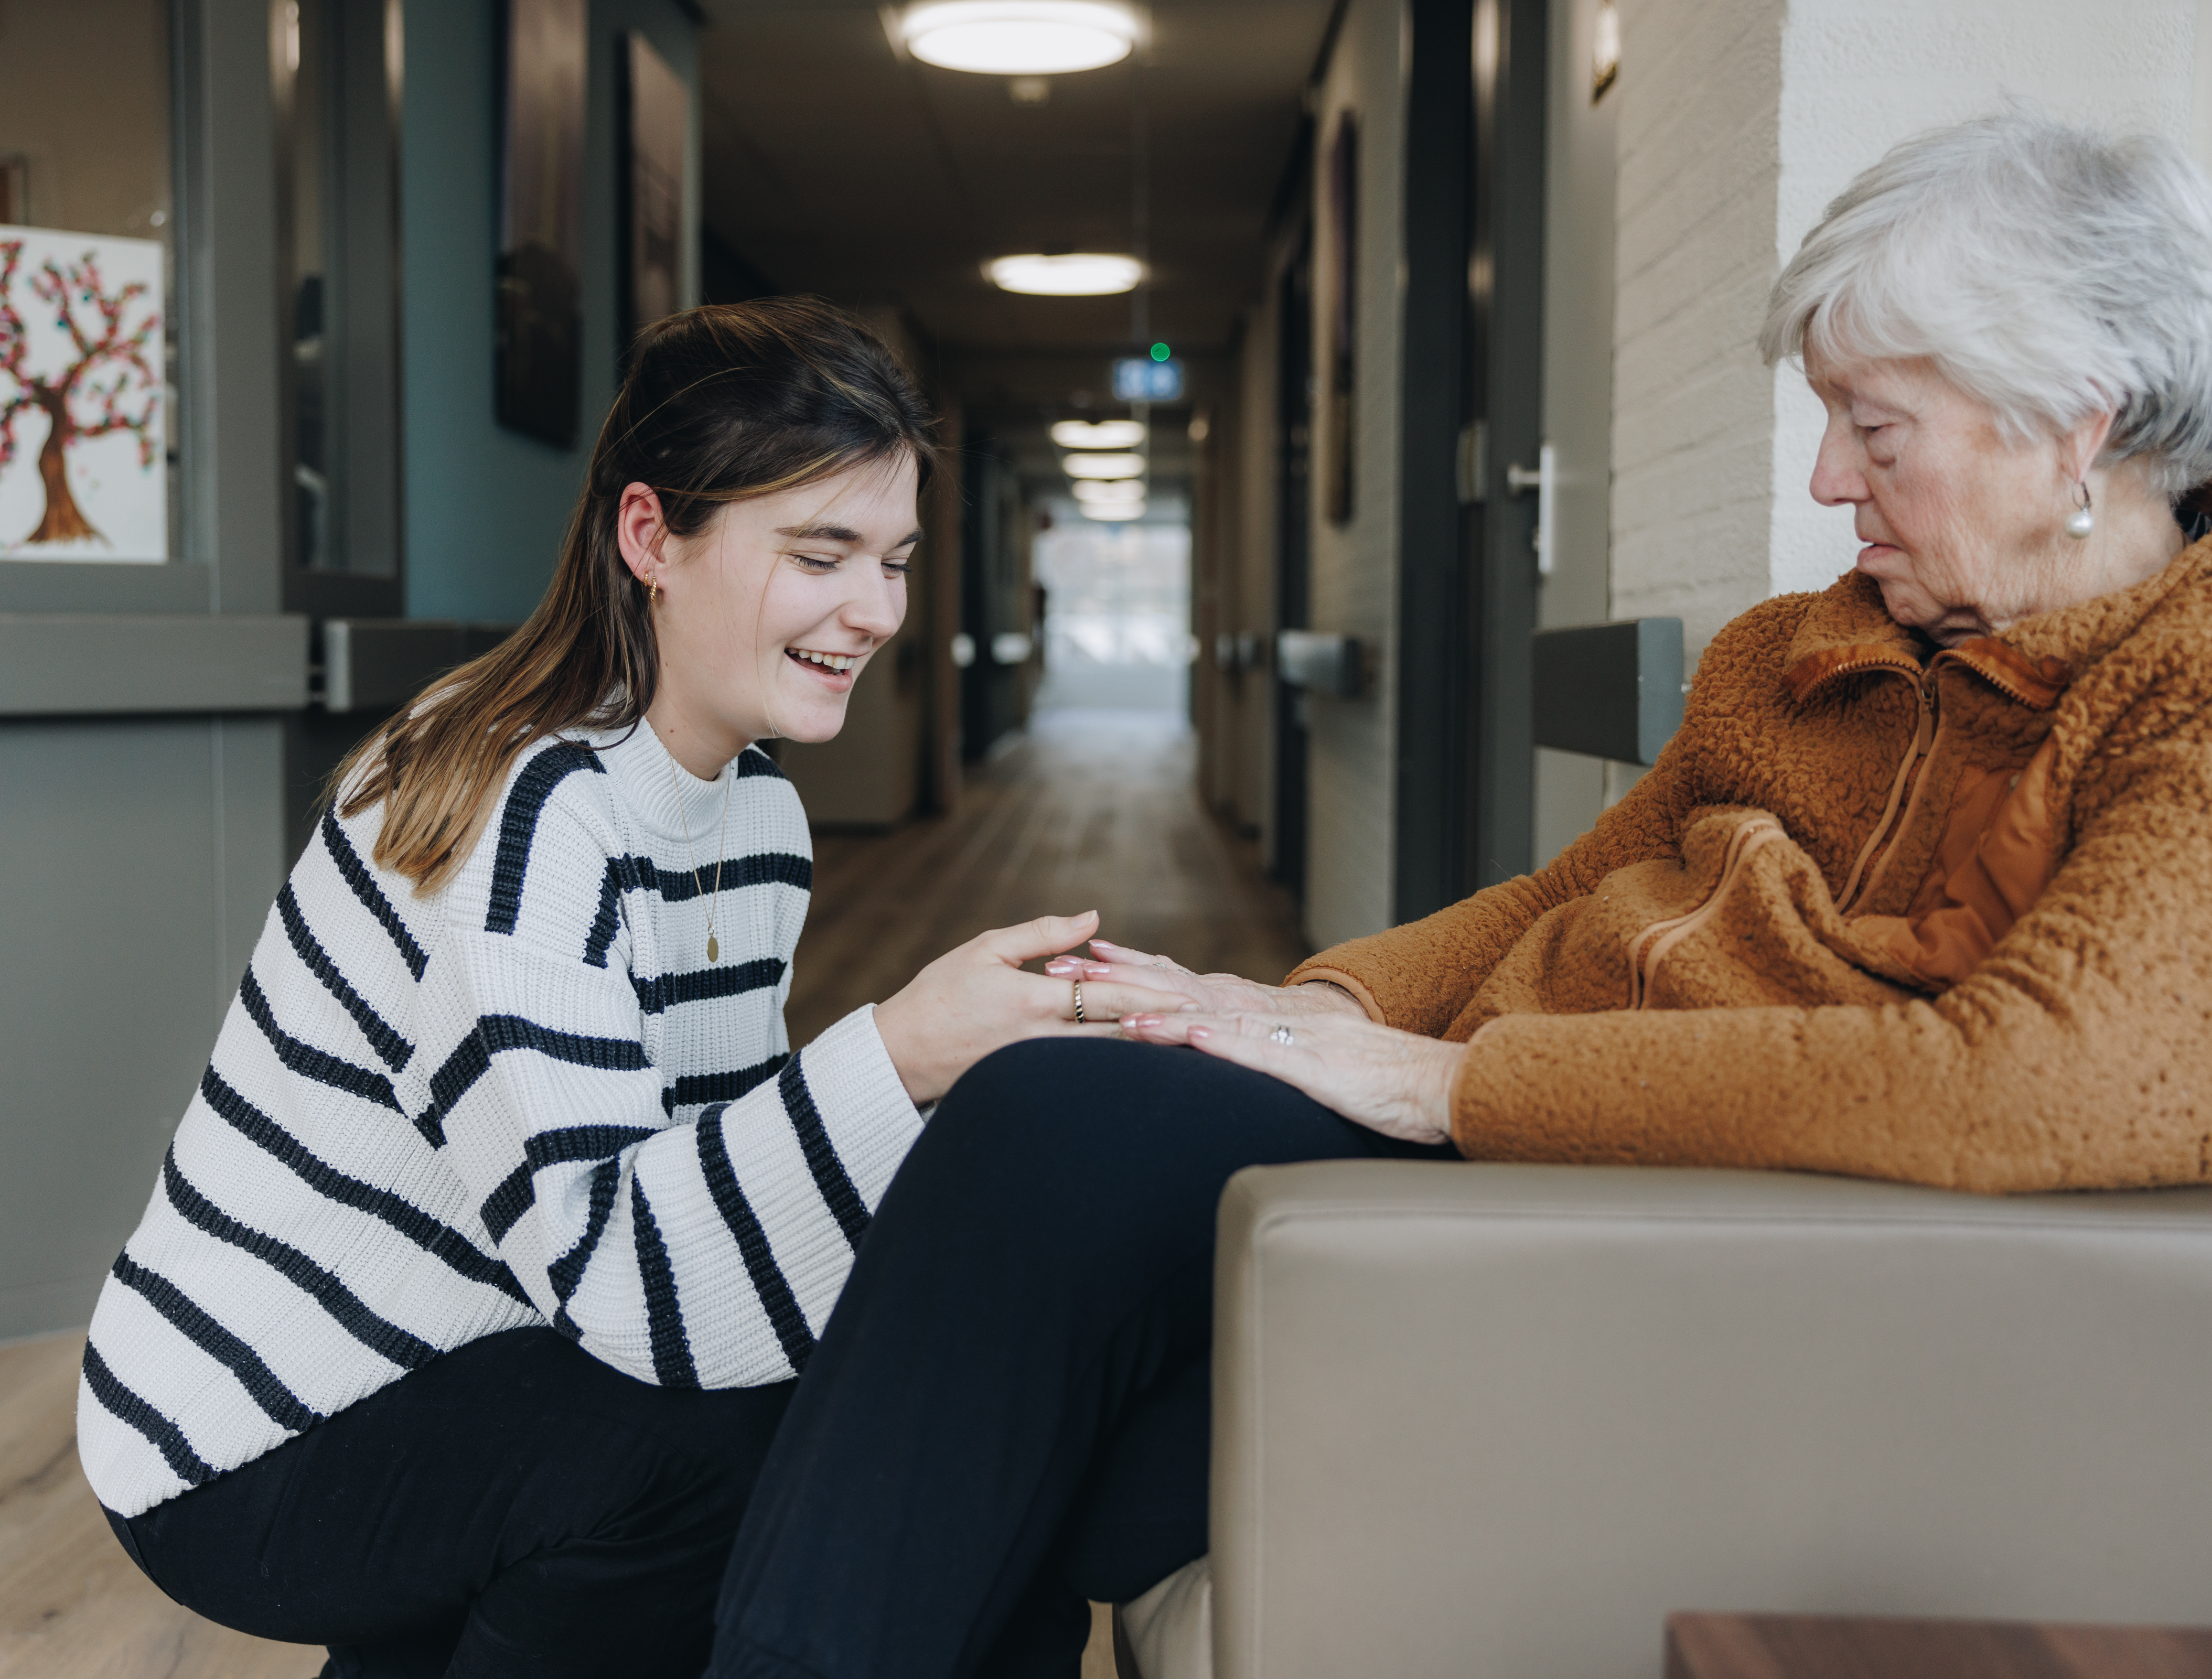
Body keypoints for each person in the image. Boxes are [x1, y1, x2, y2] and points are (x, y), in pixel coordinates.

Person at [704, 112, 2212, 1679]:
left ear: (2069, 430)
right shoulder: (1797, 648)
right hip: (1511, 1119)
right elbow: (1568, 887)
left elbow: (2038, 1083)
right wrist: (1313, 1007)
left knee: (1040, 1155)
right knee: (1063, 1202)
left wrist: (1453, 1084)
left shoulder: (2180, 684)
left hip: (1650, 1187)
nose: (1830, 476)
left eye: (1874, 428)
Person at [77, 297, 1184, 1679]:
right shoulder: (525, 810)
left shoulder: (751, 818)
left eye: (894, 560)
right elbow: (623, 1278)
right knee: (708, 1472)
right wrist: (900, 1054)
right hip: (254, 1425)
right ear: (653, 536)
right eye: (821, 552)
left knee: (859, 1438)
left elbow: (708, 1192)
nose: (878, 610)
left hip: (473, 1350)